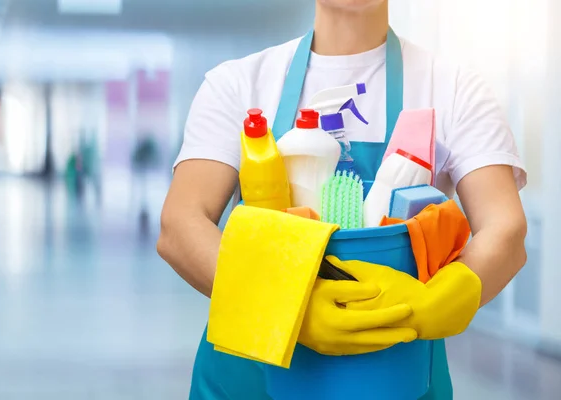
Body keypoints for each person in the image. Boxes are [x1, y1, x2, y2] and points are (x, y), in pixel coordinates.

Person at [157, 0, 528, 398]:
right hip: (251, 375)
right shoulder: (239, 82)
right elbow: (181, 224)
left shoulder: (454, 88)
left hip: (392, 371)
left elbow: (504, 228)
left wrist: (445, 297)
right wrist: (284, 303)